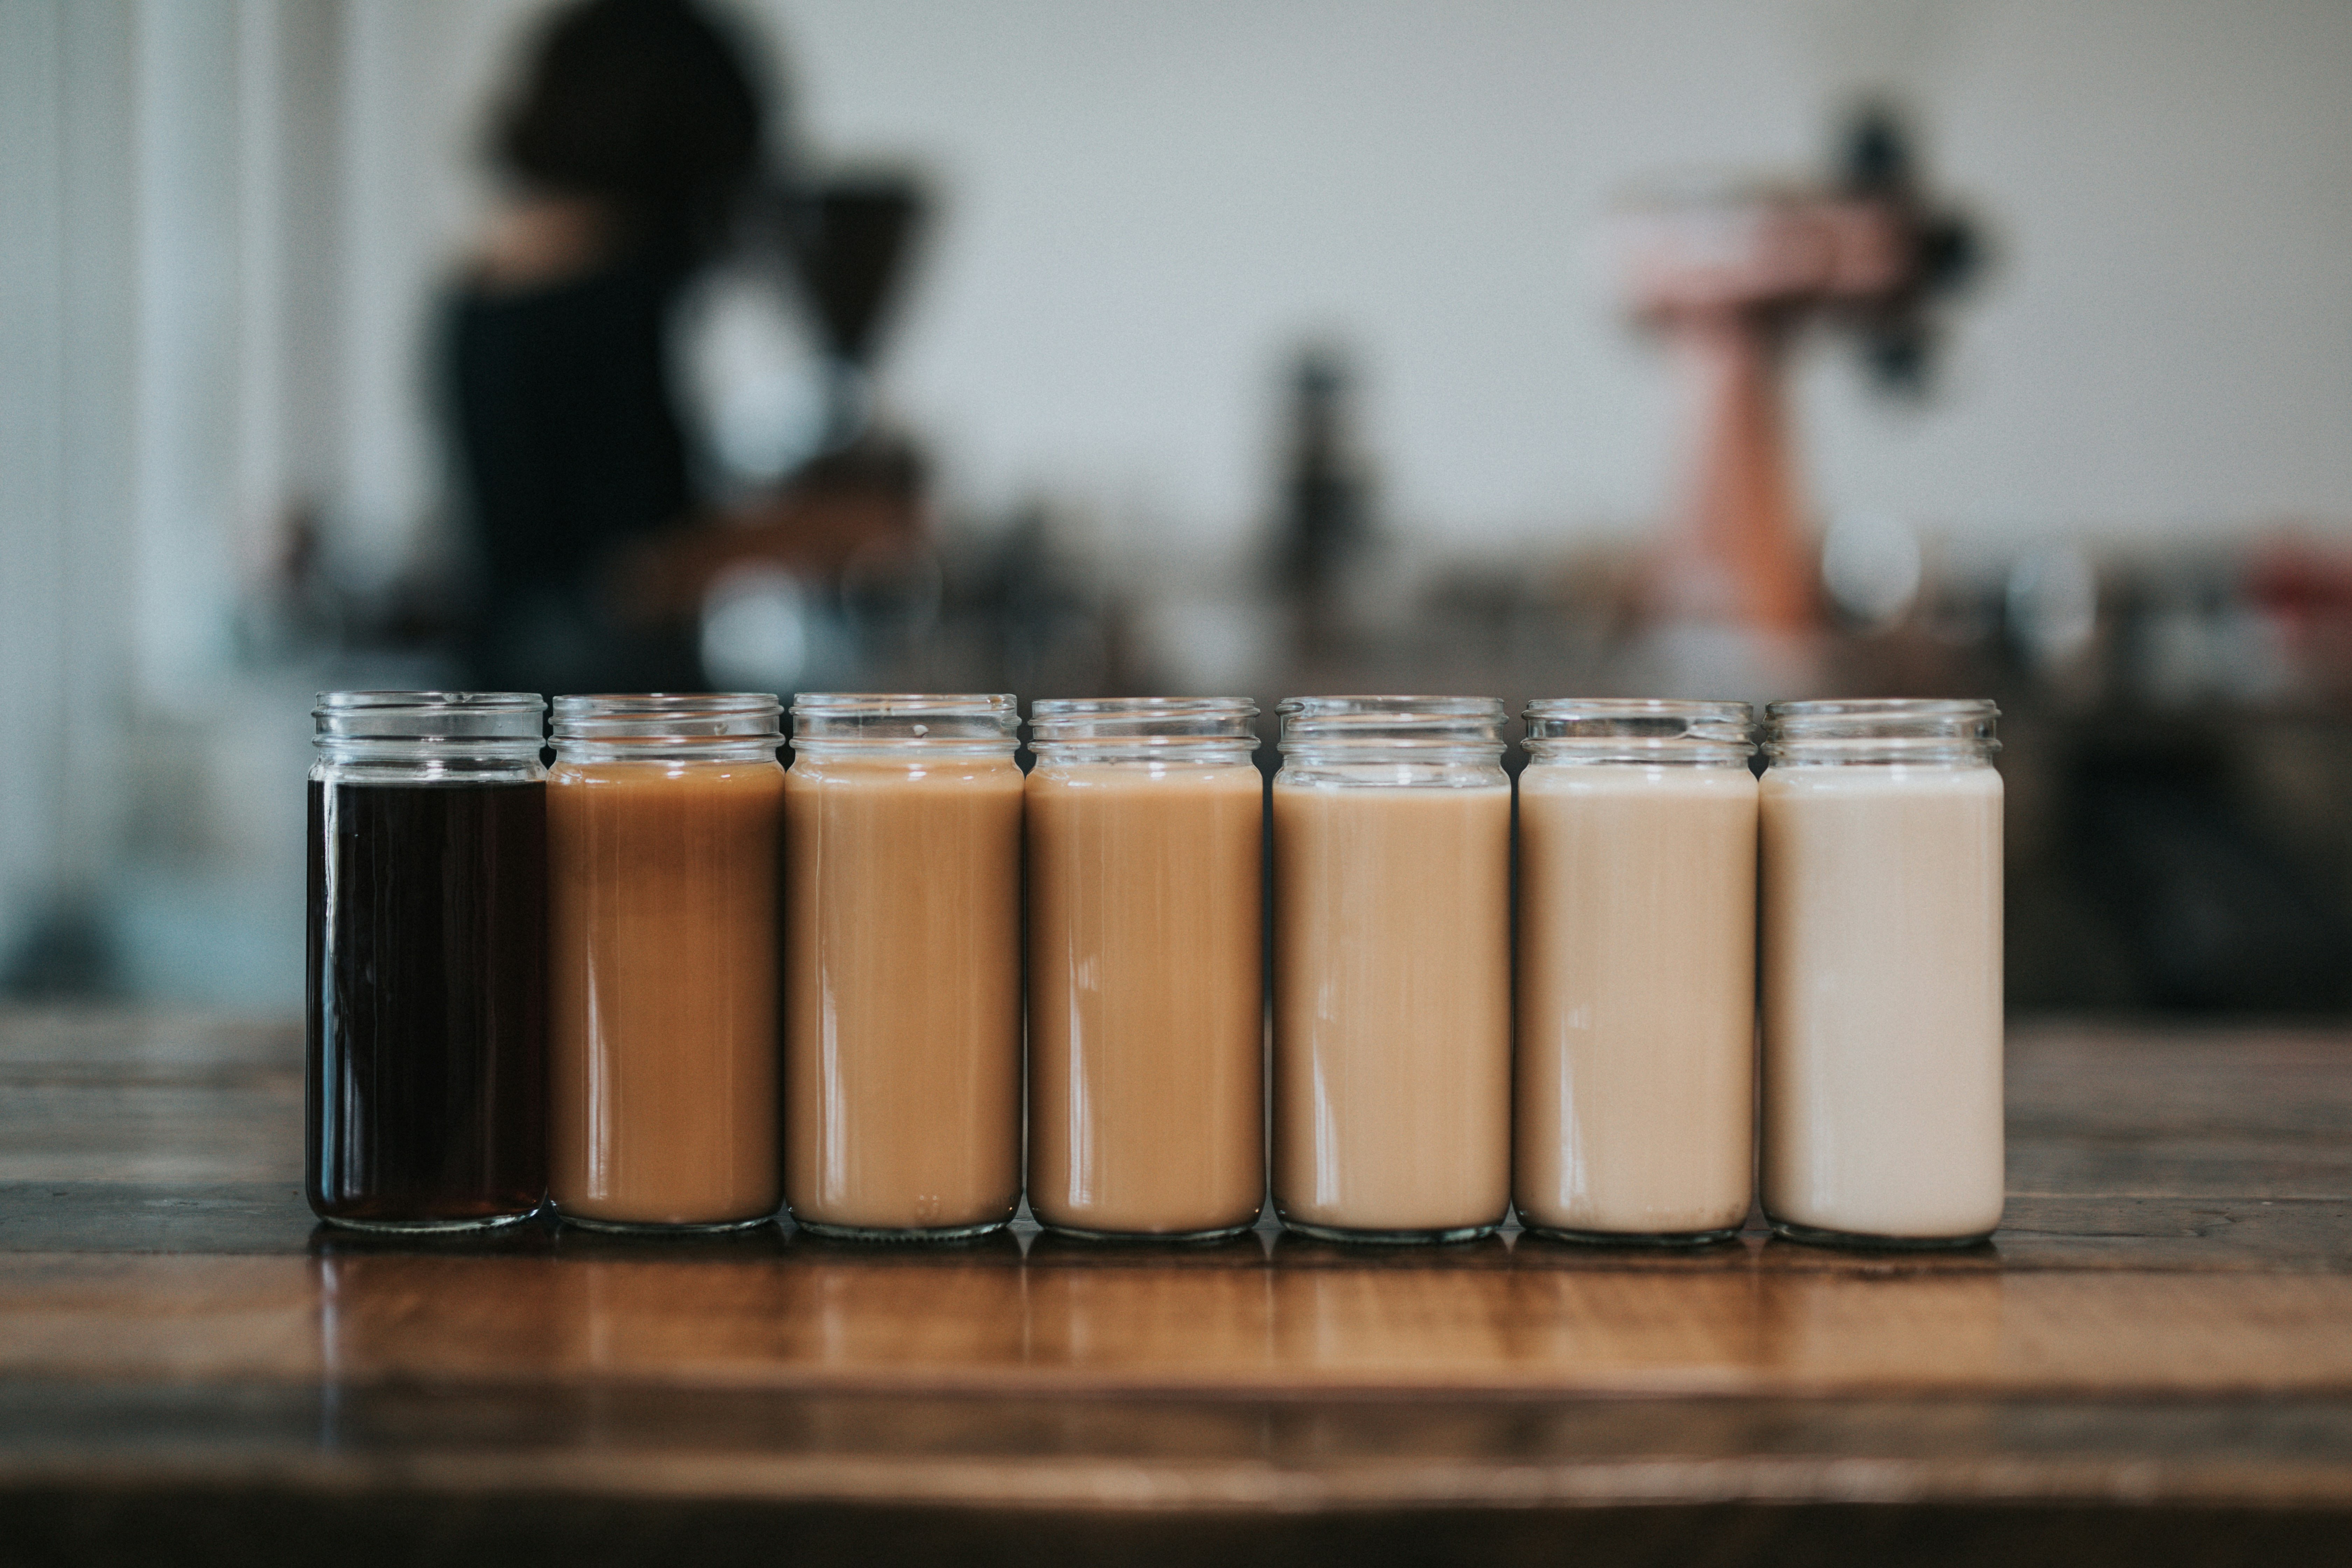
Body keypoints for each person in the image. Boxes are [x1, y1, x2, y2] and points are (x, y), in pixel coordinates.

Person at [448, 0, 916, 694]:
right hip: (600, 727)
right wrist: (821, 528)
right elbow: (627, 578)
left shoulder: (481, 284)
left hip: (519, 701)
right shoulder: (604, 292)